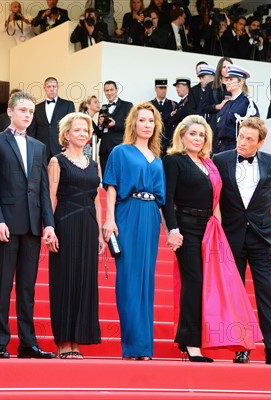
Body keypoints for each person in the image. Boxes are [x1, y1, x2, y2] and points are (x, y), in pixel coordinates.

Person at [162, 115, 261, 363]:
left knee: (208, 284)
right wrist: (172, 230)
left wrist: (219, 231)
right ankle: (191, 344)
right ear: (182, 136)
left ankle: (193, 339)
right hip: (185, 227)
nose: (197, 138)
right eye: (192, 134)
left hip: (209, 228)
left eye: (202, 135)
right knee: (193, 283)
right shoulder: (174, 160)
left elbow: (216, 200)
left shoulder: (208, 163)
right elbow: (168, 197)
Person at [213, 117, 271, 365]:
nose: (243, 142)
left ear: (260, 142)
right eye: (241, 137)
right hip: (231, 237)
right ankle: (242, 347)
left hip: (262, 238)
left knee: (267, 294)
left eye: (249, 139)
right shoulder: (221, 159)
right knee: (235, 295)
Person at [0, 91, 57, 359]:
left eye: (30, 111)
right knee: (2, 285)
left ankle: (28, 343)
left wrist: (48, 224)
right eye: (22, 110)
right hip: (7, 224)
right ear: (11, 112)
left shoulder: (39, 147)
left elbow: (42, 191)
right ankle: (0, 342)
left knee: (27, 288)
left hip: (33, 226)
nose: (27, 115)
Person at [102, 102, 166, 360]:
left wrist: (170, 229)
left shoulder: (158, 159)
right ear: (133, 124)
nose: (147, 125)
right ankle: (133, 346)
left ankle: (144, 347)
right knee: (128, 280)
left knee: (146, 281)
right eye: (142, 120)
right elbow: (112, 187)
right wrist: (109, 219)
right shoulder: (120, 152)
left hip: (151, 217)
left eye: (151, 121)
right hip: (127, 214)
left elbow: (162, 200)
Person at [47, 112, 105, 359]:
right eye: (78, 130)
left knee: (84, 282)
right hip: (66, 223)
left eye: (86, 130)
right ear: (66, 134)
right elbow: (50, 197)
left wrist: (101, 232)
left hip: (89, 225)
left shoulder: (93, 164)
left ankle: (77, 341)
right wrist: (49, 228)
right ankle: (63, 342)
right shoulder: (56, 161)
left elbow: (97, 198)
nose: (83, 134)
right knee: (65, 280)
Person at [214, 65, 259, 154]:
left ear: (240, 82)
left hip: (237, 148)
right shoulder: (226, 104)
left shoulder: (247, 103)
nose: (228, 82)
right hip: (221, 150)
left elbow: (255, 129)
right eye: (227, 80)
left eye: (231, 80)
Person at [29, 77, 75, 161]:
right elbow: (32, 130)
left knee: (62, 173)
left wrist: (69, 144)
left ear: (58, 88)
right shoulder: (36, 108)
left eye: (54, 86)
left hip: (61, 148)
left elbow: (72, 126)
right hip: (41, 150)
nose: (51, 89)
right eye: (49, 87)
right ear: (44, 88)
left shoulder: (68, 105)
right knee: (42, 174)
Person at [98, 80, 133, 174]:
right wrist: (100, 125)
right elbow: (99, 133)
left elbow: (131, 126)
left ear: (116, 90)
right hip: (104, 150)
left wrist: (115, 124)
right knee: (106, 180)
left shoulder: (127, 106)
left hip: (119, 147)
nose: (109, 93)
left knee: (120, 178)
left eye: (111, 90)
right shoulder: (102, 109)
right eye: (106, 90)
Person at [200, 57, 231, 152]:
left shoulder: (236, 85)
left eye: (229, 67)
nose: (226, 69)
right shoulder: (211, 86)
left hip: (230, 124)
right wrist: (218, 106)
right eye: (224, 67)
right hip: (214, 124)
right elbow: (203, 106)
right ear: (219, 69)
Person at [150, 78, 176, 155]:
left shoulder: (173, 104)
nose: (163, 90)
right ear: (155, 89)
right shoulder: (150, 105)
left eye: (165, 88)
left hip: (169, 141)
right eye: (161, 88)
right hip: (154, 141)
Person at [165, 77, 190, 154]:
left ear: (186, 87)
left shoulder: (189, 101)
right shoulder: (181, 102)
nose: (176, 89)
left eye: (178, 86)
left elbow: (179, 115)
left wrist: (174, 114)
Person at [78, 95, 102, 159]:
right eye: (95, 102)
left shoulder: (90, 120)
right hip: (82, 155)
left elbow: (99, 135)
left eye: (98, 102)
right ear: (88, 105)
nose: (98, 104)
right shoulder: (82, 118)